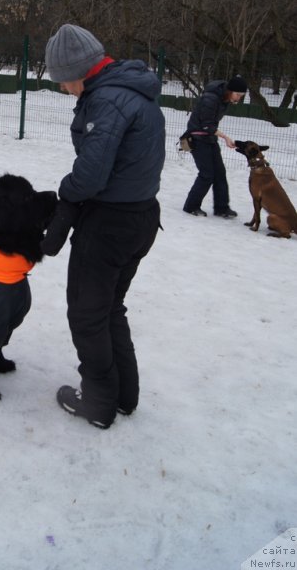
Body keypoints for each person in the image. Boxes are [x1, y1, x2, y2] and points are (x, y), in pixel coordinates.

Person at [41, 23, 165, 430]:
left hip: (109, 225)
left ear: (80, 70)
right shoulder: (133, 91)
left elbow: (91, 176)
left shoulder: (107, 101)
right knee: (111, 308)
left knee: (87, 314)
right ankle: (124, 396)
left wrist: (64, 194)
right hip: (140, 218)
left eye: (62, 80)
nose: (63, 89)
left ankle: (98, 403)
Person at [182, 75, 248, 218]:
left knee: (219, 173)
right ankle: (191, 206)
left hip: (209, 138)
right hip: (197, 138)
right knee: (207, 174)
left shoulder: (224, 98)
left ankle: (222, 208)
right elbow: (207, 125)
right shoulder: (211, 99)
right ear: (230, 90)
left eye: (241, 96)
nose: (238, 98)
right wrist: (225, 137)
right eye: (237, 94)